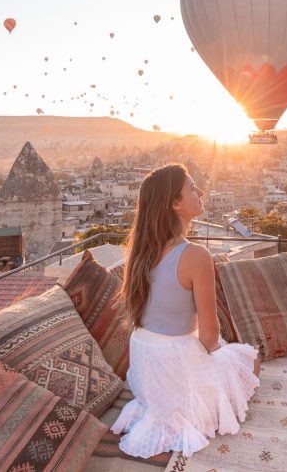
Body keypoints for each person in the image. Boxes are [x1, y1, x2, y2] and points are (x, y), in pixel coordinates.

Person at [111, 163, 260, 458]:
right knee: (249, 363)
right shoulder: (195, 255)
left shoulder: (140, 250)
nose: (201, 192)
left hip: (144, 364)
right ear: (175, 203)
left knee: (233, 359)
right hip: (173, 360)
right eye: (193, 188)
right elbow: (209, 336)